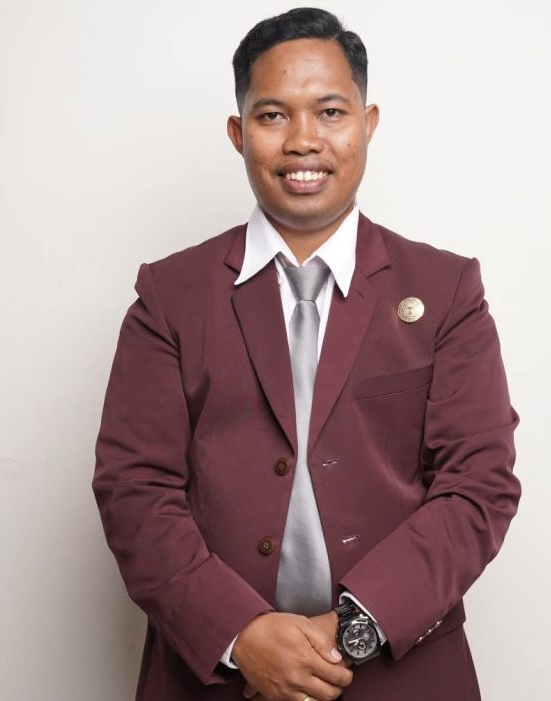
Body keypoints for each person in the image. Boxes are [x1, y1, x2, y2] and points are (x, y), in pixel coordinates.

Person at [92, 7, 521, 701]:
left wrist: (353, 629)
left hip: (402, 672)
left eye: (329, 112)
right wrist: (240, 635)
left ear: (367, 123)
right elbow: (134, 488)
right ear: (238, 133)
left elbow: (478, 485)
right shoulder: (169, 296)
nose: (303, 140)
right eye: (272, 116)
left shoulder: (446, 290)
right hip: (215, 677)